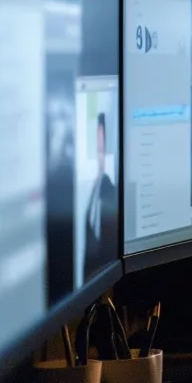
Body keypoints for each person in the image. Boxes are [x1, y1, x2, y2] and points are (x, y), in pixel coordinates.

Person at [82, 113, 117, 279]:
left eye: (103, 149)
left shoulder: (112, 193)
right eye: (98, 150)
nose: (100, 155)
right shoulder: (90, 193)